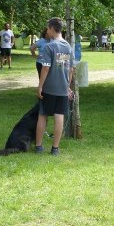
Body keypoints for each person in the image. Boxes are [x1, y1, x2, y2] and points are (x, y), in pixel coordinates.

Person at [35, 17, 74, 155]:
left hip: (49, 87)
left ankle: (38, 146)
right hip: (62, 88)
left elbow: (45, 68)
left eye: (48, 28)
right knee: (59, 116)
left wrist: (40, 86)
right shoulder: (68, 47)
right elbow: (70, 69)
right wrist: (67, 86)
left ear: (51, 28)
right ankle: (55, 148)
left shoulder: (49, 47)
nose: (47, 31)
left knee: (43, 114)